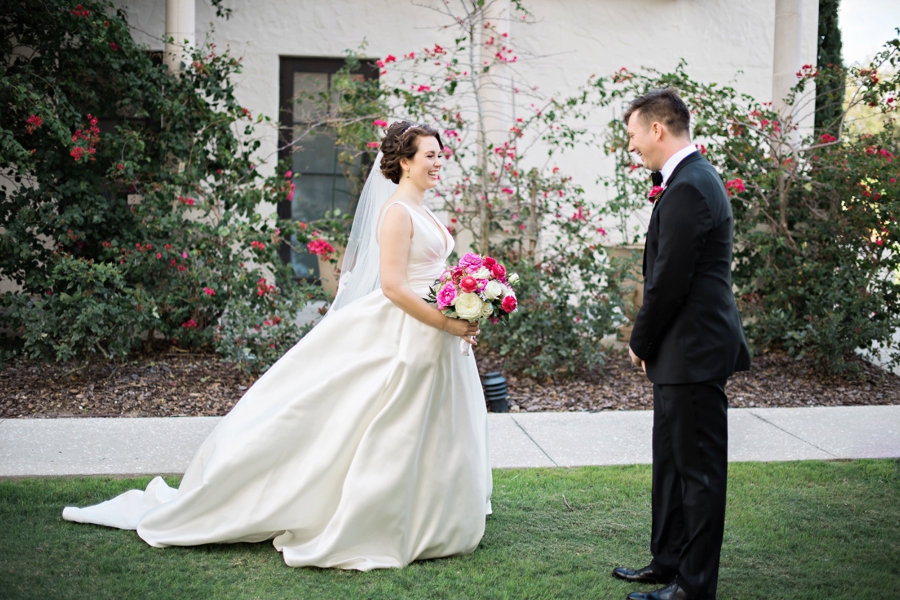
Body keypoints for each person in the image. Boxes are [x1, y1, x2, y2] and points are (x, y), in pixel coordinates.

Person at [63, 121, 493, 570]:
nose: (439, 161)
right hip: (409, 331)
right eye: (430, 154)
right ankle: (375, 518)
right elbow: (392, 287)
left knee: (431, 425)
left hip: (436, 334)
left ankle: (431, 513)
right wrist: (445, 321)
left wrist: (466, 301)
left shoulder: (421, 209)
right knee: (388, 425)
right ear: (405, 161)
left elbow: (431, 274)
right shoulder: (398, 213)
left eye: (441, 154)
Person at [612, 89, 751, 600]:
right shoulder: (689, 180)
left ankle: (693, 588)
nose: (632, 147)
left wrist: (640, 341)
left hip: (692, 351)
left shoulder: (692, 185)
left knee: (698, 475)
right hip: (682, 352)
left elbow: (670, 280)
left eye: (633, 135)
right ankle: (667, 562)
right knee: (671, 466)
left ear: (657, 130)